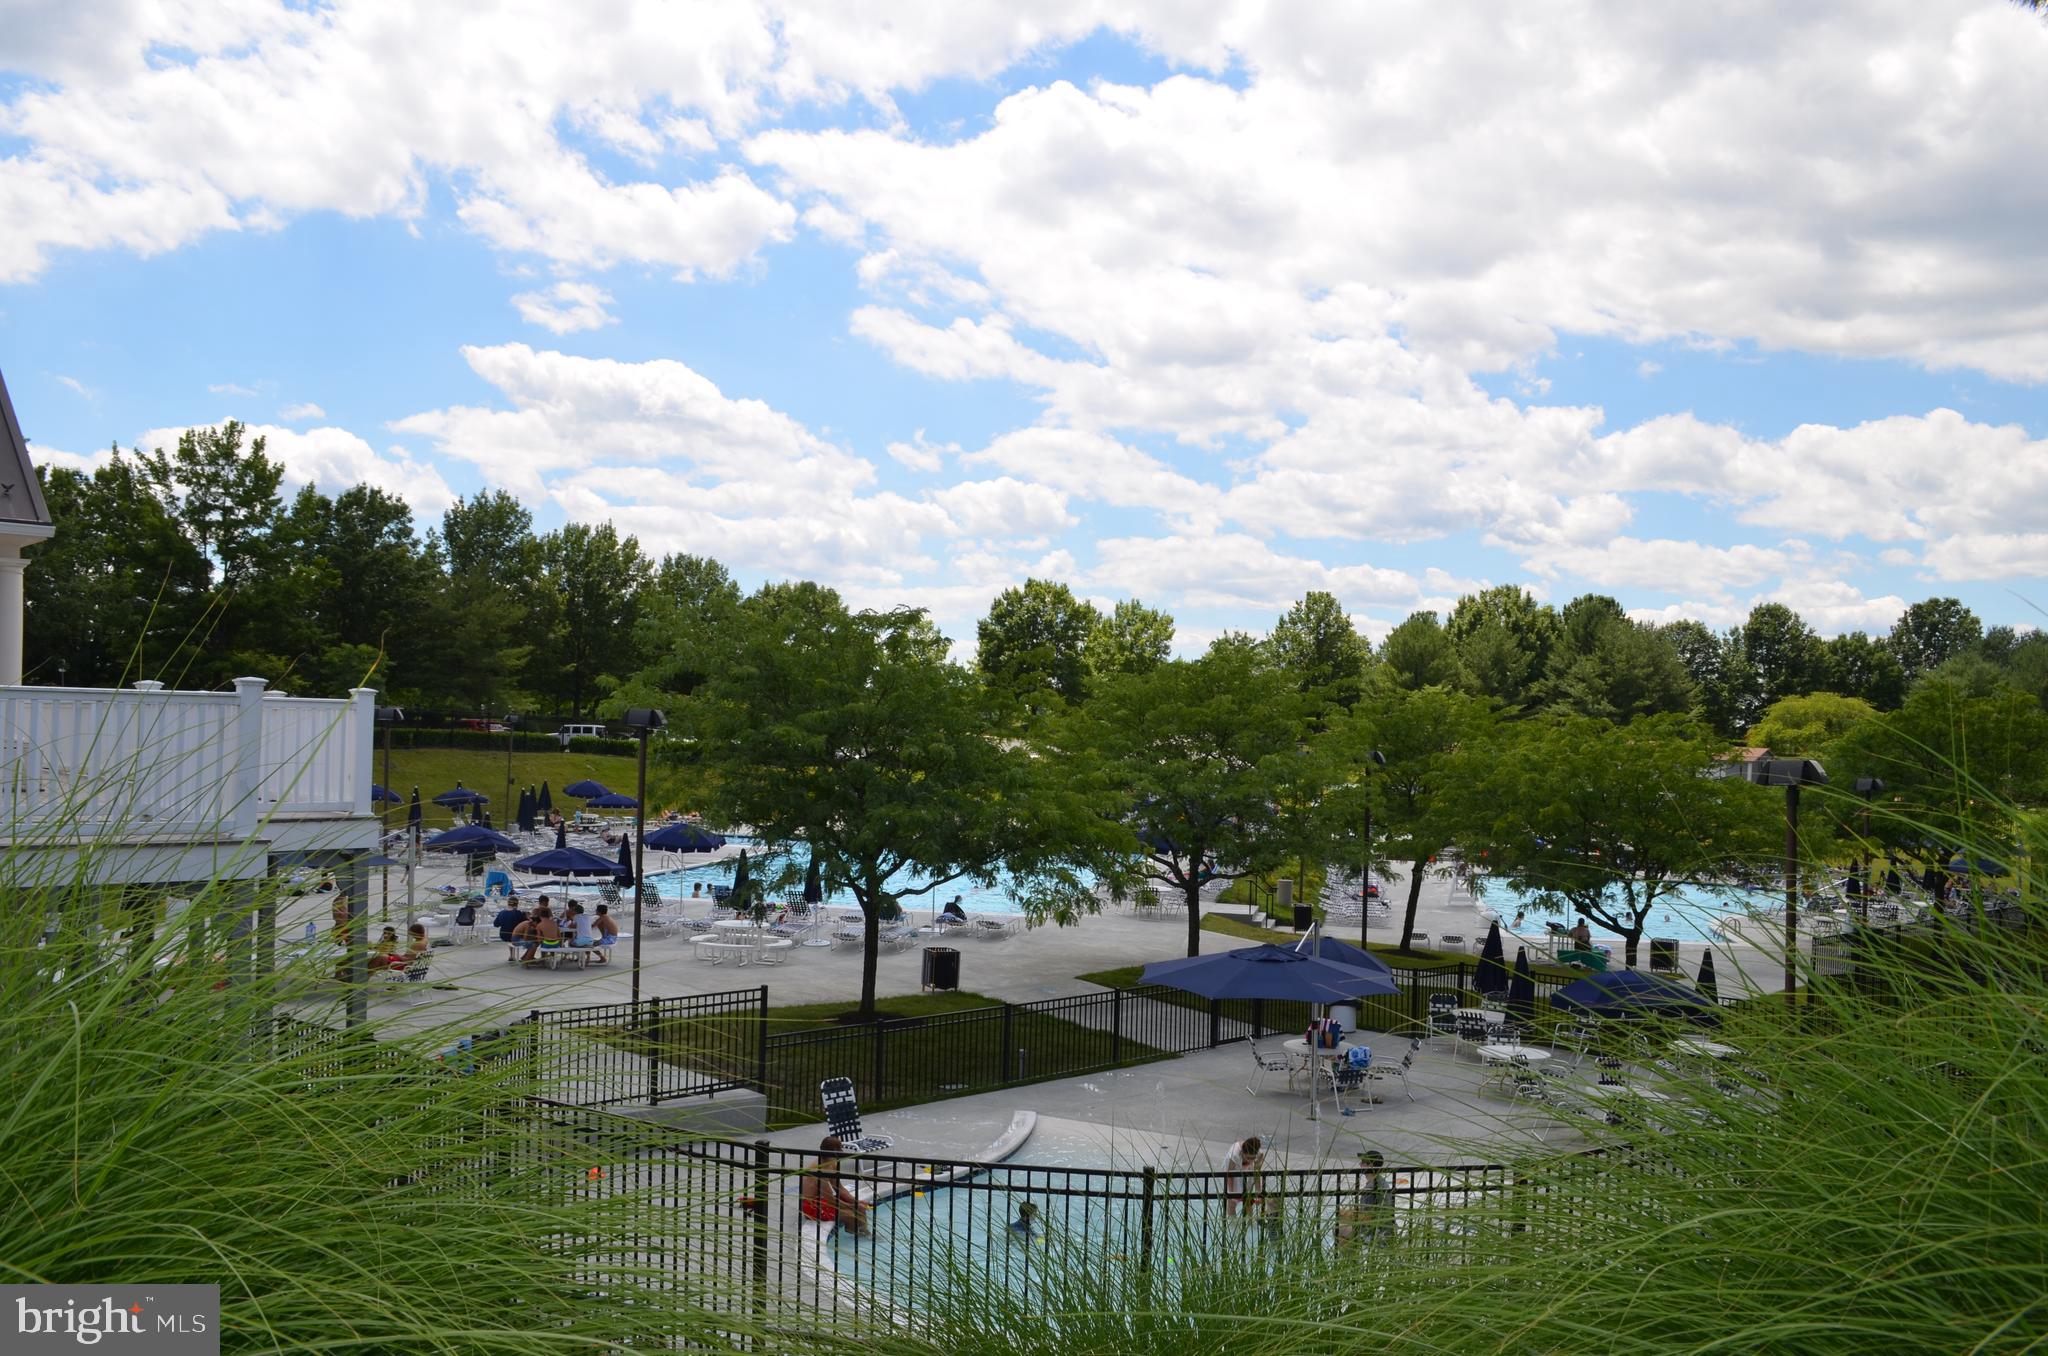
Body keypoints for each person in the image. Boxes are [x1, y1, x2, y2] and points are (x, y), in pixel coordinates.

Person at [798, 1137, 870, 1236]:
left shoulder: (831, 1163)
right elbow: (830, 1199)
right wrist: (851, 1206)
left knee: (861, 1208)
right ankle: (855, 1236)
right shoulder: (820, 1169)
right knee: (850, 1215)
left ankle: (865, 1233)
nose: (842, 1151)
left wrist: (856, 1202)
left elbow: (840, 1188)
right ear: (832, 1151)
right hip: (812, 1205)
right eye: (839, 1149)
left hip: (823, 1200)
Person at [1335, 1150, 1392, 1247]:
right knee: (1343, 1224)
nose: (1360, 1164)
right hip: (1384, 1230)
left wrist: (1347, 1214)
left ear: (1370, 1166)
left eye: (1363, 1163)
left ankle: (1350, 1260)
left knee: (1338, 1230)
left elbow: (1367, 1217)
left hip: (1375, 1234)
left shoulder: (1372, 1188)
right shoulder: (1381, 1182)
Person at [1223, 1136, 1267, 1217]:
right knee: (1231, 1203)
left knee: (1248, 1200)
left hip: (1248, 1171)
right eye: (1248, 1158)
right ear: (1243, 1152)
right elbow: (1229, 1175)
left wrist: (1258, 1193)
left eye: (1252, 1158)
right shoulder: (1234, 1154)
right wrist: (1231, 1194)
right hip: (1233, 1170)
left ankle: (1249, 1223)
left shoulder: (1259, 1154)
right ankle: (1232, 1223)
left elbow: (1256, 1174)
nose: (1250, 1160)